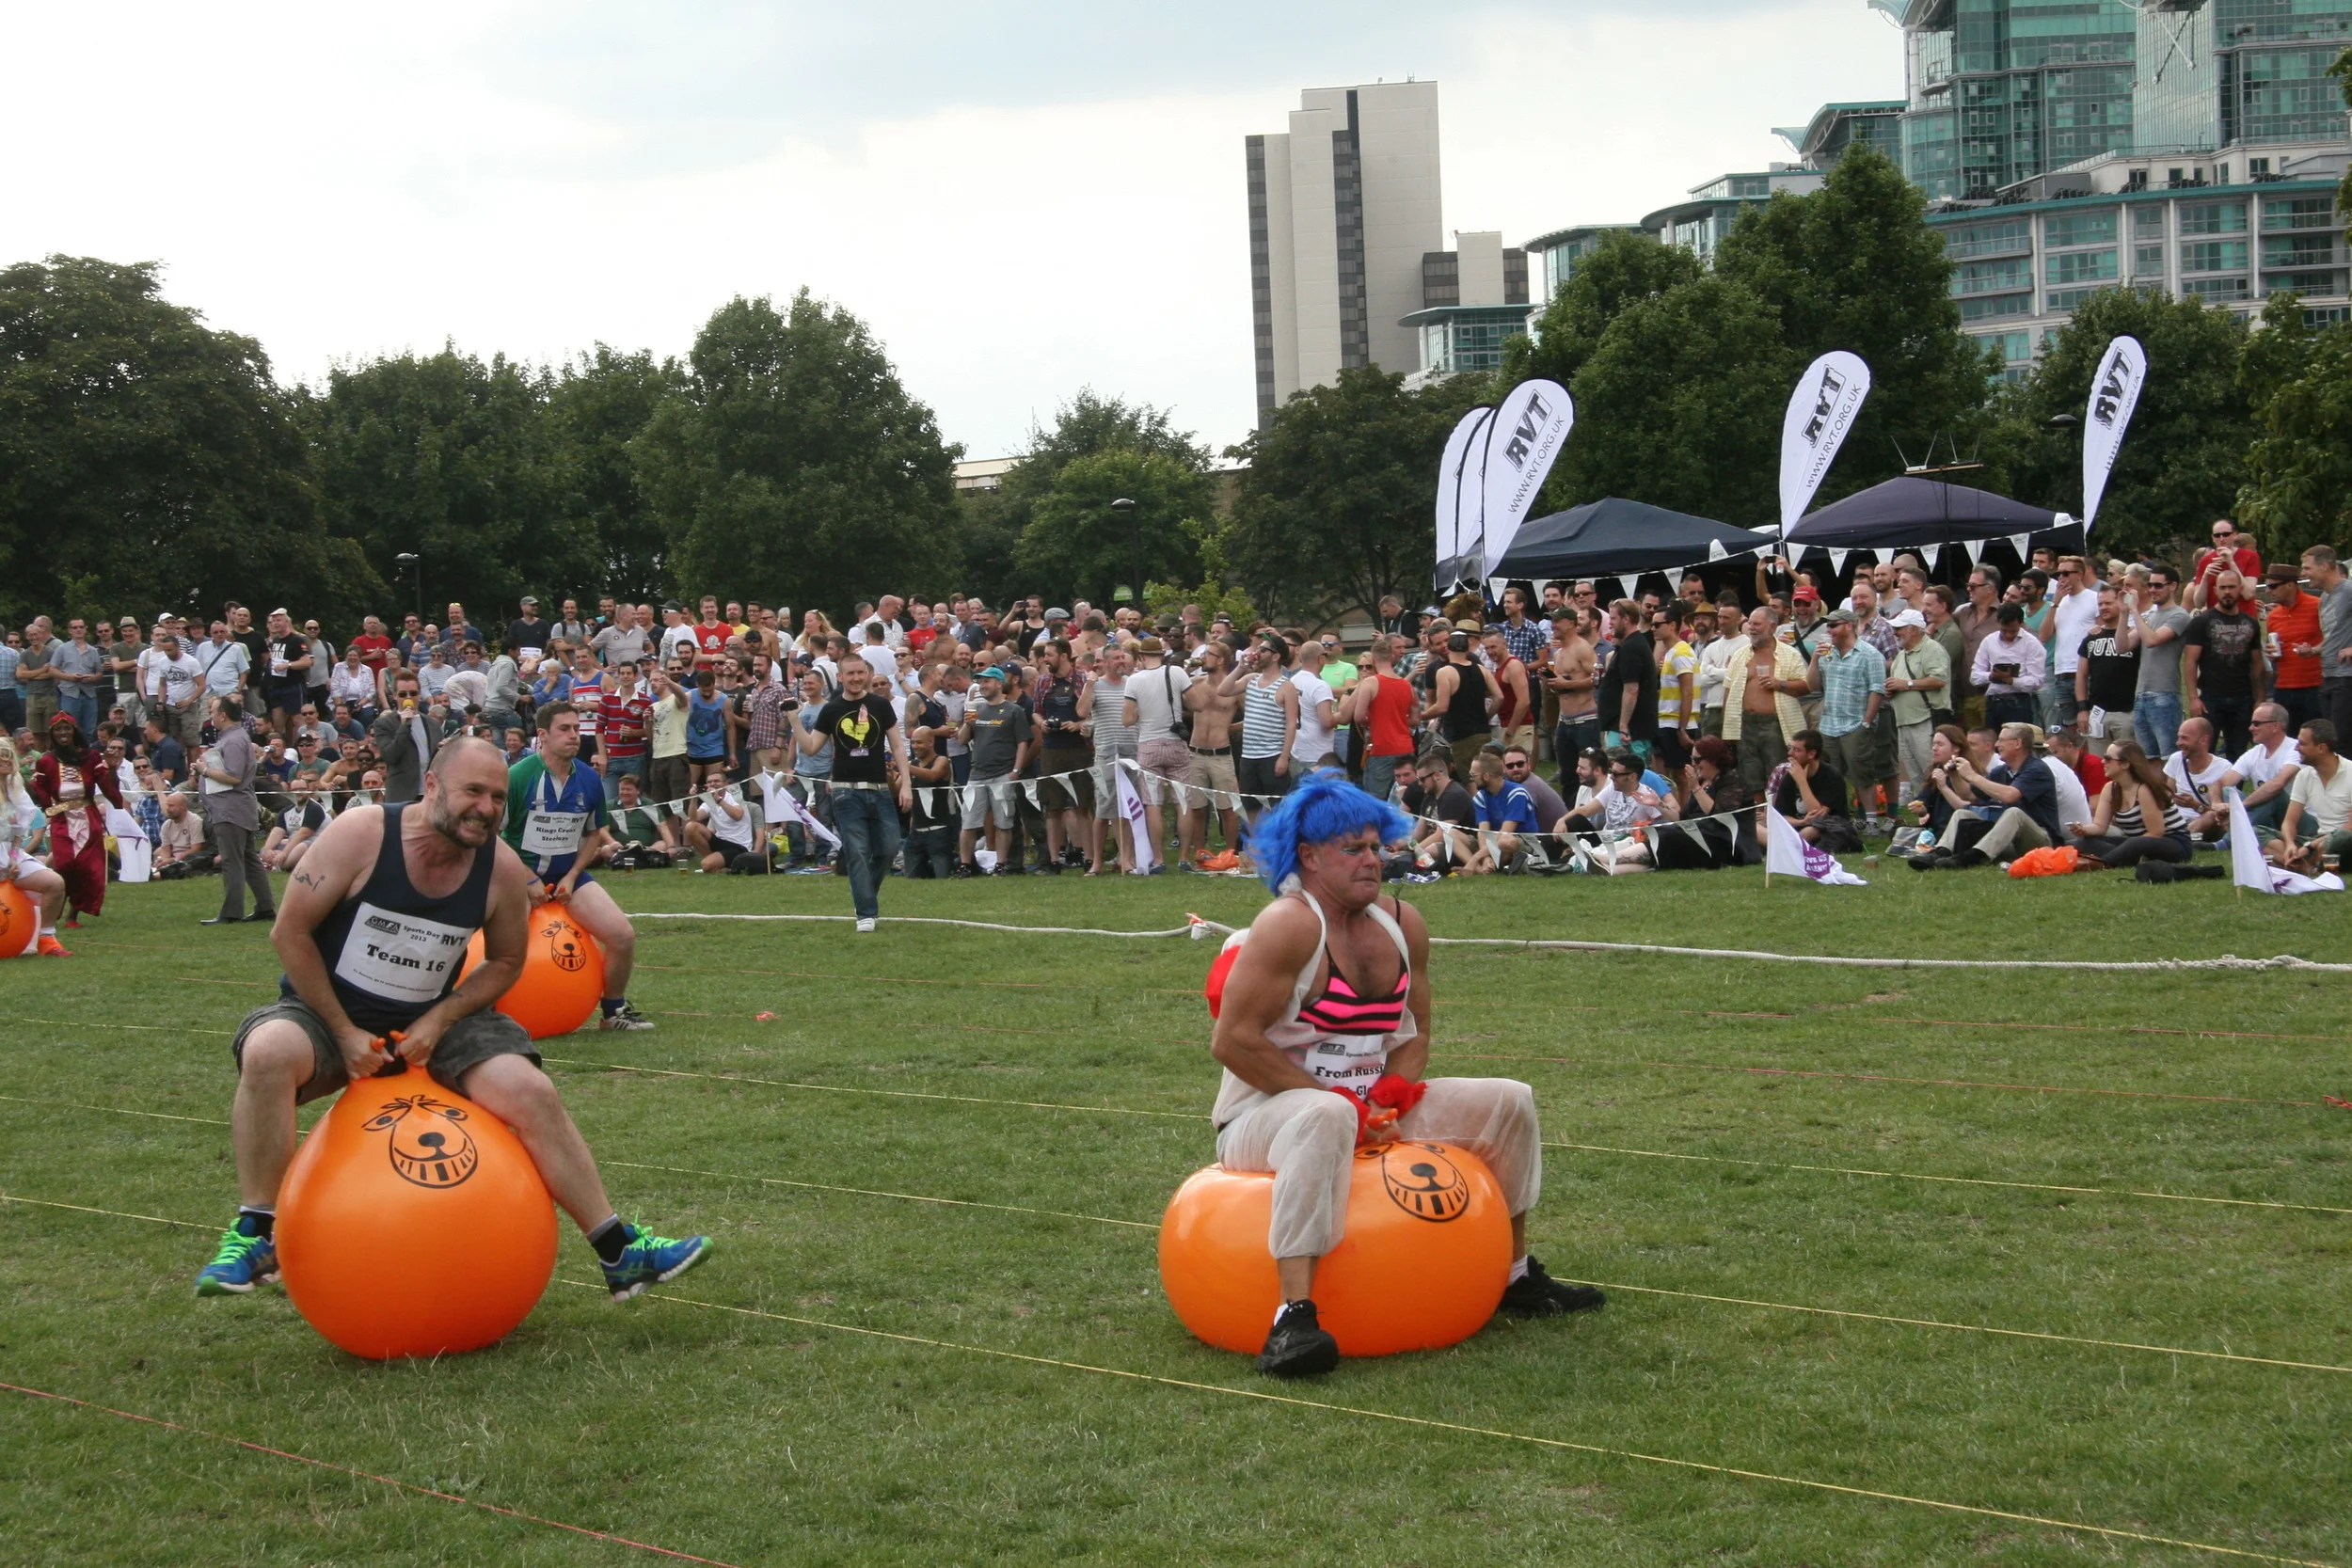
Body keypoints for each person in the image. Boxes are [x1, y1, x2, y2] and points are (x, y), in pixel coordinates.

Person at [192, 737, 709, 1300]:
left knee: (529, 1089)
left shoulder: (501, 870)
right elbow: (288, 932)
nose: (486, 807)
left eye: (496, 797)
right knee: (267, 1053)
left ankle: (620, 1251)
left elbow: (508, 959)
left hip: (436, 1020)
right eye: (473, 791)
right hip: (325, 1012)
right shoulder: (361, 834)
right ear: (433, 786)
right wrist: (342, 1033)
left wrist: (440, 1020)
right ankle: (256, 1233)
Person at [1207, 772, 1601, 1376]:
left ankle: (1517, 1276)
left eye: (1376, 846)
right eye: (1353, 850)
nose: (1372, 862)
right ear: (1308, 857)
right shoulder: (1288, 926)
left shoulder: (1403, 922)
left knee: (1508, 1100)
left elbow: (1413, 1033)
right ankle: (1293, 1317)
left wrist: (1391, 1095)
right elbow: (1233, 1042)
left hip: (1365, 1108)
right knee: (1327, 1112)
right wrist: (1347, 1105)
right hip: (1261, 1117)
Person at [502, 701, 652, 1030]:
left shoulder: (589, 778)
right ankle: (488, 1018)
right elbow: (492, 838)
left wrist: (571, 875)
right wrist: (527, 880)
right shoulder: (516, 777)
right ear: (542, 735)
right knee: (505, 948)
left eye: (577, 728)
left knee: (622, 935)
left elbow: (593, 833)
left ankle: (614, 1013)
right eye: (565, 729)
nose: (575, 736)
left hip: (568, 876)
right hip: (515, 877)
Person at [811, 655, 911, 929]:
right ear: (840, 677)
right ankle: (866, 913)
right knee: (857, 850)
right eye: (849, 674)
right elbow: (810, 747)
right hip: (845, 792)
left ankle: (865, 897)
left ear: (867, 673)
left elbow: (899, 747)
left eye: (859, 672)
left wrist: (907, 785)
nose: (855, 678)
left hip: (879, 789)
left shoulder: (880, 704)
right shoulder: (832, 709)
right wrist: (794, 720)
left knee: (889, 848)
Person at [1912, 722, 2062, 870]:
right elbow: (1969, 795)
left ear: (2017, 743)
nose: (1997, 745)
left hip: (2042, 842)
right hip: (2010, 840)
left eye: (2001, 740)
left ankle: (1972, 857)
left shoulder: (2037, 769)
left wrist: (1972, 775)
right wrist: (1955, 775)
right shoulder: (2002, 771)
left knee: (2014, 813)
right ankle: (1940, 853)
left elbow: (2010, 796)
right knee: (1962, 814)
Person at [197, 695, 275, 925]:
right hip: (234, 808)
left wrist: (204, 770)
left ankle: (232, 912)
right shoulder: (234, 738)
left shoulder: (233, 741)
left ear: (223, 715)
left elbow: (233, 776)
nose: (210, 715)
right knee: (249, 858)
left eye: (213, 711)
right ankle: (265, 906)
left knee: (232, 860)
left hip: (230, 809)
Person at [1719, 608, 1809, 793]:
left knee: (1778, 775)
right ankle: (1759, 818)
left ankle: (1779, 815)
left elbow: (1805, 686)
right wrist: (1726, 727)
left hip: (1775, 724)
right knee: (1750, 778)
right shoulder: (1740, 655)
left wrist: (1779, 683)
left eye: (1757, 624)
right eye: (1750, 623)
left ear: (1773, 626)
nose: (1751, 628)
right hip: (1744, 724)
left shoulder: (1789, 654)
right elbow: (1728, 690)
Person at [1125, 639, 1197, 871]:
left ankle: (1158, 859)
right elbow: (1197, 703)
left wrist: (1141, 712)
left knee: (1153, 803)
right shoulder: (1176, 672)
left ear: (1141, 656)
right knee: (1182, 802)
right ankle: (1185, 857)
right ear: (1162, 654)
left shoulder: (1134, 680)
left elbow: (1127, 720)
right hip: (1175, 742)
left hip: (1148, 745)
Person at [2066, 740, 2193, 870]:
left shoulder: (2144, 789)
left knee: (2135, 843)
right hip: (2137, 843)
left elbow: (2156, 832)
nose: (2103, 762)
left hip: (2173, 843)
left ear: (2125, 764)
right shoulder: (2110, 788)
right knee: (2084, 841)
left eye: (2108, 759)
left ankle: (2103, 864)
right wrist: (2083, 830)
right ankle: (2123, 859)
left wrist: (2127, 849)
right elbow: (2099, 826)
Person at [2183, 570, 2268, 756]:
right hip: (2211, 698)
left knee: (2238, 751)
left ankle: (2234, 786)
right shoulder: (2201, 622)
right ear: (2215, 590)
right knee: (2206, 750)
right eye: (2223, 588)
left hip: (2243, 697)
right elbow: (2190, 662)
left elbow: (2257, 664)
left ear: (2239, 589)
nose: (2227, 592)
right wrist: (2193, 698)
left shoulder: (2251, 623)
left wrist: (2260, 698)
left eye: (2231, 587)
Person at [0, 736, 72, 954]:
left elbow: (18, 832)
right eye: (0, 756)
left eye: (8, 756)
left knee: (55, 883)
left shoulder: (16, 790)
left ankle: (46, 939)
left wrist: (13, 857)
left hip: (9, 853)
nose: (5, 760)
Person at [958, 664, 1031, 875]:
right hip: (977, 773)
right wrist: (966, 723)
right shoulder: (977, 710)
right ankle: (965, 865)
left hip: (1002, 773)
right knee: (969, 822)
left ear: (999, 683)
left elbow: (1022, 742)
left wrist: (1016, 771)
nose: (982, 686)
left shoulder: (1013, 710)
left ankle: (1001, 864)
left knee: (1003, 823)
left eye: (987, 681)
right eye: (980, 682)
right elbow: (963, 740)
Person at [1231, 636, 1300, 816]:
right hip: (1248, 756)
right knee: (1251, 806)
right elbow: (1224, 690)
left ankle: (1277, 842)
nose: (1257, 653)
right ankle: (1256, 843)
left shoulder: (1286, 687)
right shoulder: (1251, 679)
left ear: (1275, 656)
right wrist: (1240, 668)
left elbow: (1292, 724)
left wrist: (1284, 757)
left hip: (1272, 756)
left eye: (1263, 650)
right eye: (1258, 649)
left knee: (1276, 807)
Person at [2272, 720, 2352, 872]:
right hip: (2318, 840)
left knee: (2340, 838)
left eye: (2302, 743)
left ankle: (2303, 864)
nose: (2296, 748)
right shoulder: (2305, 775)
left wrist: (2309, 847)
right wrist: (2290, 844)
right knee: (2257, 832)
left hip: (2344, 841)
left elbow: (2349, 828)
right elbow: (2289, 822)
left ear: (2321, 748)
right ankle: (2303, 863)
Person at [2072, 585, 2140, 746]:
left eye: (2108, 603)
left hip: (2127, 712)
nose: (2103, 608)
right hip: (2097, 712)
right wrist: (2082, 708)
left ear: (2121, 602)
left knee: (2127, 763)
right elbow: (2081, 675)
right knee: (2099, 764)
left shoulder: (2135, 636)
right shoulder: (2091, 638)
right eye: (2100, 604)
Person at [1424, 629, 1499, 775]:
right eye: (1439, 643)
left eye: (1446, 641)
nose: (1444, 645)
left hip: (1461, 734)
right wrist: (1486, 716)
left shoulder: (1446, 672)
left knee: (1470, 779)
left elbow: (1441, 706)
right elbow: (1499, 696)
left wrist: (1419, 716)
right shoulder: (1480, 668)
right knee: (1485, 776)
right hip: (1475, 731)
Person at [1772, 729, 1859, 852]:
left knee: (1812, 829)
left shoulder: (1832, 776)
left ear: (1811, 754)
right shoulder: (1789, 776)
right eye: (1790, 748)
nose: (1790, 754)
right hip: (1798, 828)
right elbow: (1782, 817)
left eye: (1796, 750)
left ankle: (1783, 850)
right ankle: (1786, 848)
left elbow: (1818, 816)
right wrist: (1801, 821)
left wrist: (1802, 782)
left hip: (1830, 829)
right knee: (1756, 828)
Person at [2261, 562, 2324, 732]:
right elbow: (2275, 648)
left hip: (2315, 685)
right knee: (2288, 740)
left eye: (2273, 586)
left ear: (2290, 585)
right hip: (2284, 687)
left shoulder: (2317, 606)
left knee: (2317, 737)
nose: (2268, 591)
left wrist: (2312, 649)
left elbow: (2333, 639)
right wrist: (2271, 653)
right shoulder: (2273, 616)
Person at [369, 668, 446, 805]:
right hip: (402, 795)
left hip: (430, 793)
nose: (408, 698)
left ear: (420, 694)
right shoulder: (384, 723)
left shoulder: (432, 723)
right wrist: (405, 725)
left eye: (413, 693)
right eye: (403, 694)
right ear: (395, 695)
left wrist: (446, 748)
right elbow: (390, 756)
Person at [2301, 546, 2352, 744]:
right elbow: (2333, 635)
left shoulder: (2348, 590)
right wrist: (2312, 650)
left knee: (2343, 742)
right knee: (2331, 741)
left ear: (2324, 566)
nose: (2303, 574)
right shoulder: (2324, 598)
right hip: (2328, 675)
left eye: (2307, 568)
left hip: (2347, 678)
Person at [2231, 703, 2303, 836]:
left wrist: (2240, 807)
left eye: (2257, 723)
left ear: (2275, 726)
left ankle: (2229, 838)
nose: (2250, 728)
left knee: (2273, 794)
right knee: (2227, 792)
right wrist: (2217, 803)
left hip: (2297, 818)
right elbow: (2223, 782)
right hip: (2266, 814)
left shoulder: (2296, 749)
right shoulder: (2254, 753)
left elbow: (2278, 784)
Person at [1971, 602, 2044, 730]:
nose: (2008, 635)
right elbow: (1974, 676)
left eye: (2013, 631)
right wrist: (1991, 676)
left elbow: (2037, 681)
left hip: (2019, 701)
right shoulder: (1989, 641)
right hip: (1993, 699)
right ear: (1998, 623)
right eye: (2004, 630)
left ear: (2021, 624)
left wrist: (2011, 680)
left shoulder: (2032, 644)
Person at [2162, 716, 2236, 842]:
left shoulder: (2223, 768)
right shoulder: (2176, 759)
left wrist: (2195, 805)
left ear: (2203, 740)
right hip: (2176, 818)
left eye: (2185, 738)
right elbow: (2167, 795)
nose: (2178, 743)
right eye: (2179, 737)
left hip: (2205, 822)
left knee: (2211, 816)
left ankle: (2175, 840)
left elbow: (2222, 814)